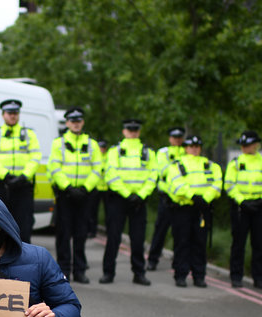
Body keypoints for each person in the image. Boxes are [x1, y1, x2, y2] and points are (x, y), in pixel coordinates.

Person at [46, 107, 103, 284]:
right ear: (68, 123)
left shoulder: (92, 144)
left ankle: (80, 270)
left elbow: (97, 168)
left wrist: (85, 188)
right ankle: (63, 271)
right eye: (73, 121)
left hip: (85, 196)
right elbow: (54, 167)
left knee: (80, 233)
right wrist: (68, 187)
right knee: (63, 234)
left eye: (79, 121)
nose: (76, 124)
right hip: (66, 195)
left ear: (82, 122)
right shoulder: (59, 143)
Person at [99, 119, 156, 285]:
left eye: (135, 130)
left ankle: (139, 273)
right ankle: (108, 272)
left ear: (139, 131)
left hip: (139, 200)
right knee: (113, 237)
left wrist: (141, 194)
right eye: (130, 130)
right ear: (124, 131)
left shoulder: (148, 153)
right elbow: (110, 174)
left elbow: (153, 175)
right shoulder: (115, 151)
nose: (133, 132)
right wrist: (127, 194)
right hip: (119, 199)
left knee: (138, 239)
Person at [223, 131, 262, 289]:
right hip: (241, 208)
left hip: (260, 208)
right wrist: (242, 201)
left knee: (259, 244)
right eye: (242, 145)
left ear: (256, 145)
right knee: (238, 244)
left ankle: (259, 278)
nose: (244, 148)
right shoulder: (235, 162)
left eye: (247, 145)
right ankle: (236, 276)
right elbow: (229, 184)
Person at [0, 99, 42, 243]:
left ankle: (23, 260)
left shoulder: (29, 134)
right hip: (1, 186)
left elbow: (35, 157)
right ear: (3, 115)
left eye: (15, 113)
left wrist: (24, 176)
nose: (12, 116)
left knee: (24, 226)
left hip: (23, 187)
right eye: (9, 113)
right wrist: (5, 175)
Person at [167, 135, 222, 287]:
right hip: (183, 209)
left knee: (200, 243)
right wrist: (193, 196)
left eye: (197, 147)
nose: (194, 149)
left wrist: (206, 198)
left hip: (202, 209)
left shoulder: (210, 165)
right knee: (182, 242)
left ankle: (199, 276)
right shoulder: (176, 165)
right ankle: (181, 275)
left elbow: (217, 184)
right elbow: (176, 185)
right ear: (185, 148)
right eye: (191, 146)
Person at [147, 127, 186, 271]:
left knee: (180, 233)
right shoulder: (163, 152)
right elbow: (162, 171)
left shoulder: (186, 151)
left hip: (180, 198)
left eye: (179, 137)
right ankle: (152, 260)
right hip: (165, 198)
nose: (177, 140)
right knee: (160, 231)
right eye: (174, 137)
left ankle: (177, 263)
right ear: (170, 138)